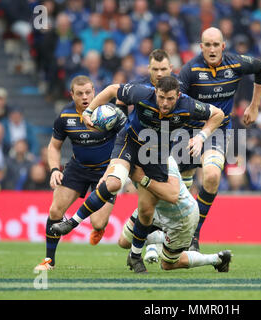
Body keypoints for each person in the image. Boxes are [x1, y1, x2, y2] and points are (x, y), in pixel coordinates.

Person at [50, 76, 225, 273]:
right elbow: (111, 89)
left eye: (169, 99)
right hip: (129, 142)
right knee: (114, 183)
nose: (164, 103)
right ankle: (72, 223)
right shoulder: (142, 93)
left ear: (178, 95)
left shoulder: (188, 104)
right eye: (161, 97)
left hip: (156, 155)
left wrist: (202, 137)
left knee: (146, 210)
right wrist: (89, 111)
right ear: (155, 92)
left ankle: (135, 256)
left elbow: (218, 114)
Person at [178, 27, 261, 251]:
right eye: (207, 45)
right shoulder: (189, 70)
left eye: (215, 44)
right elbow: (176, 102)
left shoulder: (236, 63)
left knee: (211, 175)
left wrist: (254, 105)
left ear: (223, 46)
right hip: (188, 133)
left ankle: (193, 233)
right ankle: (155, 234)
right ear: (201, 47)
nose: (211, 49)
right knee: (175, 188)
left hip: (218, 132)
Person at [34, 75, 126, 271]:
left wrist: (116, 170)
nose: (85, 97)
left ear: (95, 92)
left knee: (98, 222)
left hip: (105, 170)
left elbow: (126, 142)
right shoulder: (65, 117)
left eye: (88, 92)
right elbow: (54, 146)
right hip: (77, 168)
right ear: (72, 95)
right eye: (80, 93)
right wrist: (53, 170)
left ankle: (100, 228)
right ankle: (49, 261)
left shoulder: (109, 113)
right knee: (55, 211)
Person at [119, 156, 232, 272]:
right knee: (124, 242)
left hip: (180, 216)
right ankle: (157, 239)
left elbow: (172, 195)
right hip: (155, 207)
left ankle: (217, 259)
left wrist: (143, 179)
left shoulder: (165, 159)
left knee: (167, 264)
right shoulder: (129, 153)